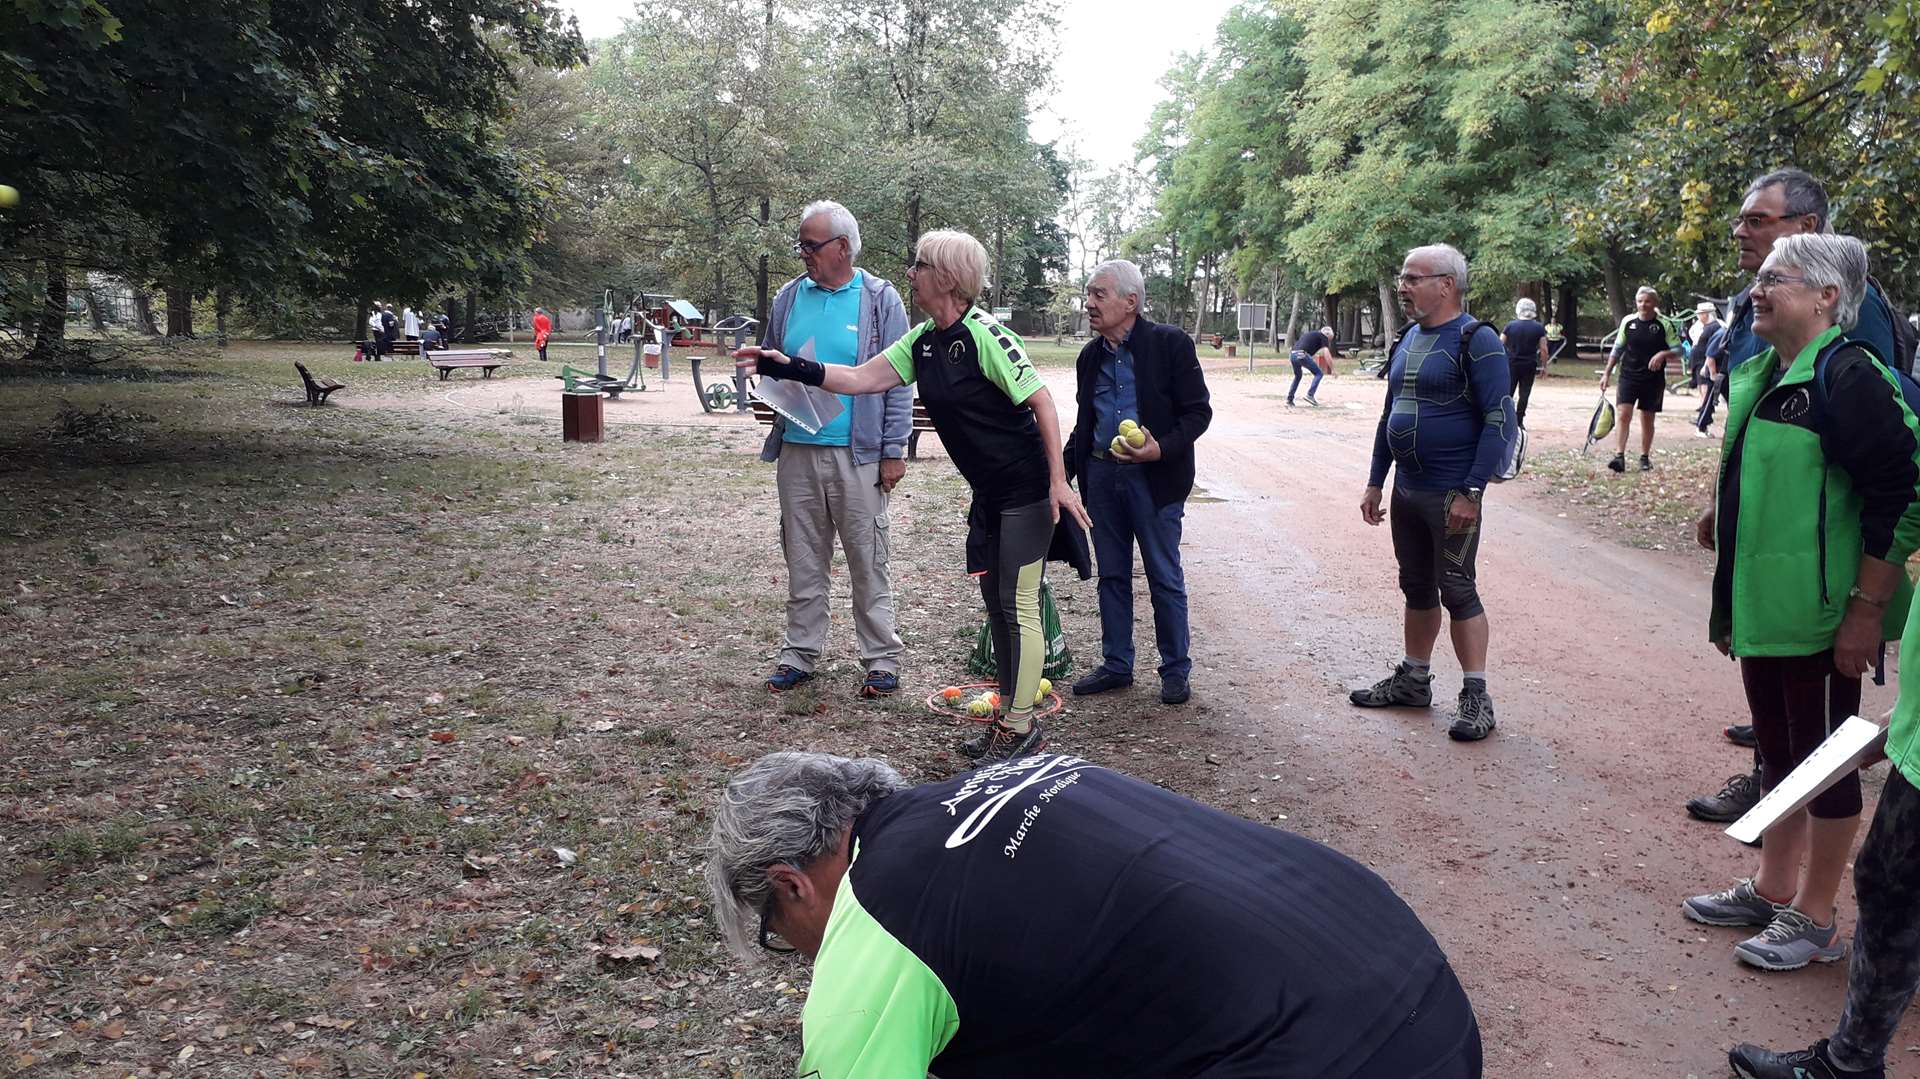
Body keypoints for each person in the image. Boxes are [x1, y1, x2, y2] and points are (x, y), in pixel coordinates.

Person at [706, 750, 1484, 1079]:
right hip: (1420, 989)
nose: (801, 953)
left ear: (792, 883)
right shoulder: (1014, 773)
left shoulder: (877, 916)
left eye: (778, 935)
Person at [736, 229, 1090, 763]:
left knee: (1019, 609)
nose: (910, 274)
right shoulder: (923, 341)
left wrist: (1058, 483)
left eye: (919, 265)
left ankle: (1020, 729)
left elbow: (1042, 401)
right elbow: (858, 377)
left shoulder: (985, 335)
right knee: (996, 609)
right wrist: (789, 367)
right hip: (989, 494)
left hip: (1026, 490)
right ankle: (1007, 718)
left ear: (946, 277)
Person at [1682, 234, 1920, 979]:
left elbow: (1904, 490)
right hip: (1766, 608)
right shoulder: (1764, 371)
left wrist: (1864, 609)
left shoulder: (1848, 376)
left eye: (1774, 278)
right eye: (1756, 278)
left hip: (1822, 616)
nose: (1757, 288)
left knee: (1824, 765)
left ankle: (1815, 919)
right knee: (1781, 754)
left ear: (1827, 296)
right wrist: (1721, 515)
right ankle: (1771, 887)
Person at [1687, 167, 1913, 825]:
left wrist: (1866, 604)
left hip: (1822, 582)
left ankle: (1800, 875)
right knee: (1785, 727)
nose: (1740, 230)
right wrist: (1724, 502)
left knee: (1816, 741)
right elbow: (1763, 425)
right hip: (1771, 577)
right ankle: (1775, 822)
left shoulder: (1850, 332)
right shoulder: (1763, 328)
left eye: (1759, 219)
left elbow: (1873, 455)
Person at [1352, 244, 1515, 742]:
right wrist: (1376, 480)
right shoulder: (1406, 338)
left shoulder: (1478, 340)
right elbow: (1389, 414)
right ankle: (1414, 679)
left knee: (1458, 588)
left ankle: (1476, 695)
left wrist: (1472, 491)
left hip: (1451, 492)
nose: (1403, 286)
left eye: (1413, 278)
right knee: (1416, 586)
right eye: (1403, 278)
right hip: (1408, 491)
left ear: (1446, 283)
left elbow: (1498, 419)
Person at [753, 200, 912, 698]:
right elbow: (771, 360)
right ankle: (799, 654)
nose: (803, 254)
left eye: (811, 245)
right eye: (800, 244)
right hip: (797, 449)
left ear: (842, 247)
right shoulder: (787, 297)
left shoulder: (881, 299)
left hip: (857, 454)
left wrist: (893, 449)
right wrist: (764, 376)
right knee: (802, 557)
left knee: (868, 560)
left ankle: (881, 659)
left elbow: (899, 380)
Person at [1062, 259, 1213, 705]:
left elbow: (1198, 413)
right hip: (1102, 477)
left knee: (1164, 575)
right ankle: (1117, 665)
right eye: (1088, 294)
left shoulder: (1170, 344)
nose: (1089, 303)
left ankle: (1175, 670)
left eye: (1098, 295)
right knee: (1111, 575)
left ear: (1131, 302)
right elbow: (1083, 425)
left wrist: (1159, 448)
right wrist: (1057, 474)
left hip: (1156, 478)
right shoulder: (1089, 357)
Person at [1599, 287, 1683, 472]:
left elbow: (1680, 350)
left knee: (1647, 418)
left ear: (1655, 303)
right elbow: (1618, 348)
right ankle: (1619, 456)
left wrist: (1663, 353)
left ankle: (1644, 457)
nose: (1643, 305)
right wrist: (1606, 373)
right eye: (1640, 301)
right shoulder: (1628, 322)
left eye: (1647, 301)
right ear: (1636, 303)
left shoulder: (1664, 324)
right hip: (1628, 375)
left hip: (1653, 379)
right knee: (1623, 414)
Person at [1502, 299, 1550, 426]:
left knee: (1508, 392)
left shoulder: (1510, 326)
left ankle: (1504, 418)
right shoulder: (1539, 328)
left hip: (1511, 364)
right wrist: (1544, 366)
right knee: (1524, 393)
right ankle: (1519, 420)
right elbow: (1544, 349)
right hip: (1529, 364)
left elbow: (1499, 344)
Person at [1287, 324, 1335, 406]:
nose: (1328, 341)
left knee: (1298, 376)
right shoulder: (1323, 336)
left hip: (1292, 354)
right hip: (1302, 354)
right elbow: (1326, 353)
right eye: (1330, 339)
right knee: (1319, 373)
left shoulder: (1312, 334)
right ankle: (1310, 395)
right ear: (1327, 335)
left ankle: (1289, 399)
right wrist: (1333, 369)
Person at [1686, 301, 1722, 389]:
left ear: (1706, 314)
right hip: (1698, 362)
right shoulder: (1701, 326)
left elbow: (1712, 349)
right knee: (1700, 385)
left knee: (1705, 386)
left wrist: (1707, 366)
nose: (1698, 316)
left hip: (1705, 362)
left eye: (1700, 314)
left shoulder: (1715, 326)